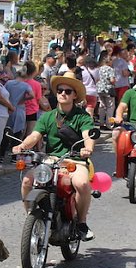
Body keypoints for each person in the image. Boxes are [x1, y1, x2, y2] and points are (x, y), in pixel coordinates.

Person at [11, 71, 96, 241]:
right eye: (60, 90)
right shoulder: (48, 116)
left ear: (74, 95)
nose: (63, 93)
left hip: (74, 160)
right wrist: (22, 146)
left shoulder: (82, 117)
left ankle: (81, 223)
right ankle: (31, 216)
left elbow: (88, 135)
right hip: (51, 160)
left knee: (82, 183)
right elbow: (35, 136)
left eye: (68, 91)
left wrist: (88, 148)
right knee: (27, 181)